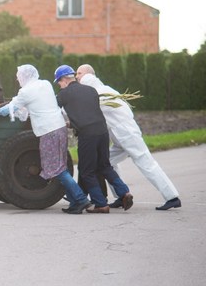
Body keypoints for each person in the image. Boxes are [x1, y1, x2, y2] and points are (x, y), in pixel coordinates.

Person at [76, 64, 181, 210]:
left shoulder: (99, 93)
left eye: (79, 73)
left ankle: (172, 197)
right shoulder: (105, 90)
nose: (77, 76)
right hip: (121, 137)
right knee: (107, 164)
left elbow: (81, 110)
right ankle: (121, 196)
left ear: (89, 76)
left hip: (128, 134)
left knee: (146, 163)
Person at [0, 65, 91, 214]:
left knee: (56, 169)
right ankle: (74, 202)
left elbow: (11, 108)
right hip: (60, 127)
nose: (18, 80)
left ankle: (81, 199)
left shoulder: (25, 92)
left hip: (48, 131)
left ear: (24, 77)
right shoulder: (45, 84)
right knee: (61, 166)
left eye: (19, 77)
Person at [54, 64, 133, 213]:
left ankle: (101, 203)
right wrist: (73, 123)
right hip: (102, 132)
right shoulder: (91, 90)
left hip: (87, 134)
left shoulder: (63, 95)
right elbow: (87, 112)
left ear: (64, 79)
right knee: (105, 166)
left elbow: (52, 110)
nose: (59, 85)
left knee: (86, 171)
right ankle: (124, 192)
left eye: (58, 82)